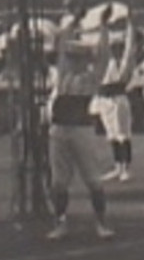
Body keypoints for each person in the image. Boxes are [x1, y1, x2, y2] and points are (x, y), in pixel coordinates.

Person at [44, 19, 116, 241]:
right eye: (72, 57)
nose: (74, 61)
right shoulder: (62, 76)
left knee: (93, 179)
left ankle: (101, 223)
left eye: (78, 58)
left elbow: (103, 57)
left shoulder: (90, 78)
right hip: (59, 130)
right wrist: (72, 22)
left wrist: (103, 30)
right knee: (59, 181)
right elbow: (61, 46)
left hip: (81, 130)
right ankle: (60, 222)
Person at [94, 16, 137, 182]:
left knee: (122, 134)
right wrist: (103, 25)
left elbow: (130, 47)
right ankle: (117, 166)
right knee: (112, 134)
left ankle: (126, 168)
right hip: (105, 99)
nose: (116, 49)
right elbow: (102, 47)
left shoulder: (124, 63)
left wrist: (130, 25)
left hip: (118, 98)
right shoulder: (105, 61)